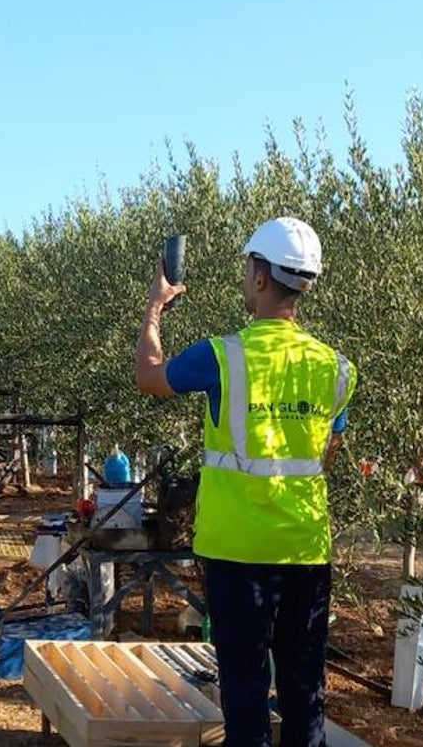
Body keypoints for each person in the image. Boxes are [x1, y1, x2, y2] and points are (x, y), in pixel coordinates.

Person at [135, 217, 356, 747]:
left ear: (260, 277)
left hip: (236, 553)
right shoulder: (337, 368)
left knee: (246, 688)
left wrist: (154, 309)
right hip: (305, 548)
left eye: (246, 267)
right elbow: (328, 448)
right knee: (305, 691)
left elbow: (149, 376)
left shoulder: (221, 356)